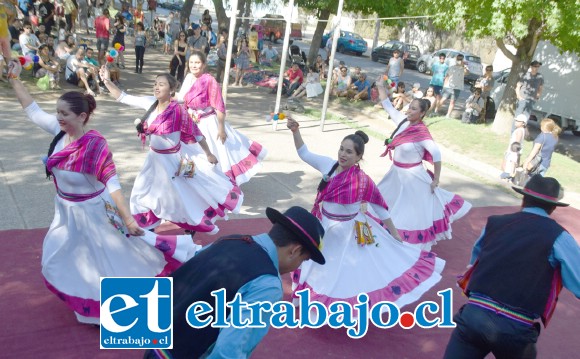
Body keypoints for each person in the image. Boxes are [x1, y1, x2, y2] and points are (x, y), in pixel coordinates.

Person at [7, 61, 199, 325]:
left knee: (114, 259)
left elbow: (113, 185)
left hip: (94, 214)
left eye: (64, 113)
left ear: (81, 117)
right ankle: (88, 299)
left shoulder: (94, 146)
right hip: (65, 213)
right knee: (57, 255)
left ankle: (117, 309)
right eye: (57, 112)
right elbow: (32, 110)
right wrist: (13, 78)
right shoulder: (58, 133)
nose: (59, 117)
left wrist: (129, 220)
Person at [286, 117, 446, 313]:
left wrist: (394, 233)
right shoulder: (328, 165)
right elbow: (304, 153)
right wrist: (295, 132)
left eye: (349, 151)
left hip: (350, 232)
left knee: (348, 271)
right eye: (341, 149)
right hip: (325, 228)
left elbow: (380, 208)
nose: (343, 154)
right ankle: (314, 302)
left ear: (358, 156)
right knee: (320, 267)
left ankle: (341, 309)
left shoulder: (363, 181)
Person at [143, 206, 325, 359]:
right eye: (304, 259)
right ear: (294, 250)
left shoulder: (230, 240)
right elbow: (228, 350)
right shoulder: (267, 284)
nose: (297, 266)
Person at [444, 175, 580, 359]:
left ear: (523, 199)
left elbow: (473, 263)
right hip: (515, 328)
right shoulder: (559, 237)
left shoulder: (494, 224)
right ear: (553, 208)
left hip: (474, 316)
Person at [100, 67, 243, 234]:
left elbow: (196, 133)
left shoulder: (178, 110)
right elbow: (123, 97)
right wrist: (107, 81)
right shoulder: (150, 103)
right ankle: (148, 229)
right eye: (155, 84)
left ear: (172, 90)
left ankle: (192, 226)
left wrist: (209, 153)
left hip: (172, 162)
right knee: (141, 192)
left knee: (180, 198)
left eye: (161, 84)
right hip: (153, 160)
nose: (156, 87)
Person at [375, 77, 472, 251]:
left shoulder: (422, 132)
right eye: (409, 107)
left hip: (413, 177)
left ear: (421, 114)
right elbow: (387, 105)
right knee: (382, 199)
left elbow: (436, 154)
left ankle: (405, 243)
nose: (408, 110)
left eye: (413, 109)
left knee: (409, 212)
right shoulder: (403, 122)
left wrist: (436, 179)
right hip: (396, 173)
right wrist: (380, 86)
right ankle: (386, 233)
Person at [177, 50, 267, 186]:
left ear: (204, 64)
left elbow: (219, 105)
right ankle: (191, 182)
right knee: (190, 152)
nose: (194, 65)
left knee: (215, 153)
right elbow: (180, 98)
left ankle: (217, 184)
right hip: (191, 122)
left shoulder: (209, 80)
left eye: (197, 63)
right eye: (191, 62)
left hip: (208, 122)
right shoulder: (189, 77)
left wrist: (221, 128)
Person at [500, 114, 527, 180]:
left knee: (509, 164)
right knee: (509, 164)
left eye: (518, 121)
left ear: (523, 123)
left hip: (513, 150)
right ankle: (509, 175)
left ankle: (509, 175)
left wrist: (514, 150)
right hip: (513, 149)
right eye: (516, 120)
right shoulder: (520, 130)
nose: (516, 122)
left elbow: (517, 142)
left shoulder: (520, 131)